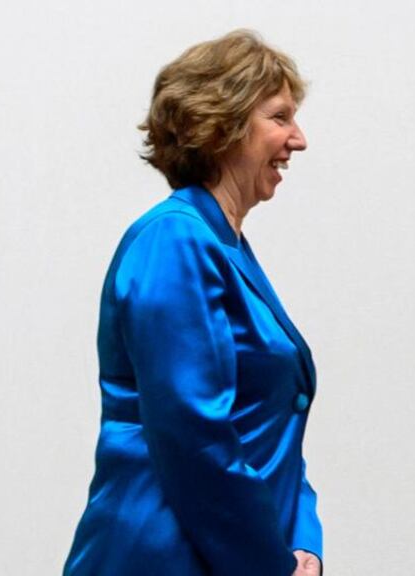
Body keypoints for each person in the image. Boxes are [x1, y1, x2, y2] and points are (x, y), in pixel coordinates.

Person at [64, 31, 322, 576]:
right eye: (279, 117)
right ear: (223, 126)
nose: (297, 140)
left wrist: (303, 543)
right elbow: (193, 431)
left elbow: (273, 426)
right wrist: (270, 564)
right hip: (164, 554)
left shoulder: (222, 243)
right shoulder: (174, 241)